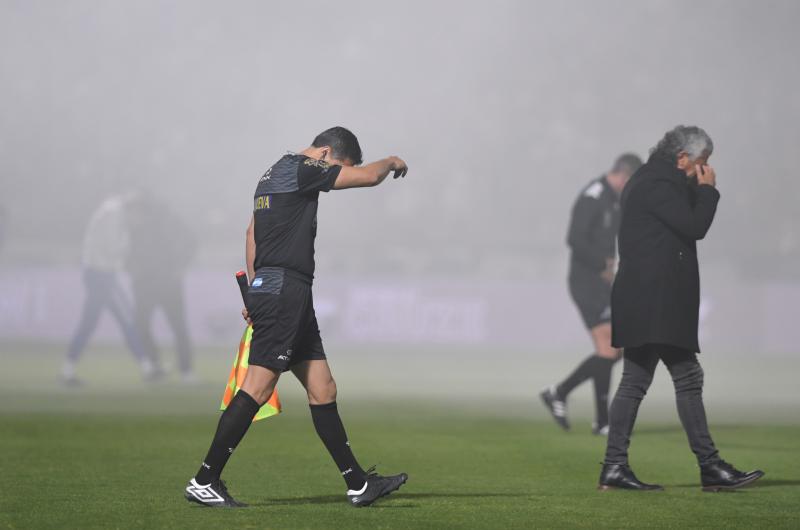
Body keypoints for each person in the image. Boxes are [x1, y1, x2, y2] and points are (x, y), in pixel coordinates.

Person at [184, 127, 410, 508]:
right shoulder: (305, 168)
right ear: (325, 153)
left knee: (323, 387)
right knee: (257, 386)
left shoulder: (270, 175)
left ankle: (357, 483)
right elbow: (369, 177)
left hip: (284, 292)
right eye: (339, 166)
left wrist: (256, 286)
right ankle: (204, 479)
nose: (336, 174)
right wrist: (390, 161)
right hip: (285, 291)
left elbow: (251, 232)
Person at [598, 125, 764, 492]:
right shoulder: (659, 183)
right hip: (655, 299)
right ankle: (710, 467)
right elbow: (694, 225)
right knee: (685, 378)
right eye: (701, 162)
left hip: (645, 297)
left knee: (635, 382)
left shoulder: (651, 178)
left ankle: (614, 468)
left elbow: (678, 219)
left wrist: (695, 186)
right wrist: (708, 190)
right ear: (682, 157)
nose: (704, 169)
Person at [540, 153, 642, 435]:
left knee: (615, 349)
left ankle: (561, 393)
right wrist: (601, 264)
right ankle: (601, 421)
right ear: (623, 175)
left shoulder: (614, 199)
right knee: (609, 347)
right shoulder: (593, 195)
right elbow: (574, 238)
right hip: (585, 282)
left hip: (602, 283)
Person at [61, 193, 156, 385]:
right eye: (139, 217)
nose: (138, 222)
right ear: (134, 210)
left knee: (92, 321)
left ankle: (67, 369)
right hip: (103, 274)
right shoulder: (114, 216)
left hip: (97, 272)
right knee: (127, 319)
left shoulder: (110, 212)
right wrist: (128, 247)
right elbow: (111, 248)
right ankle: (148, 367)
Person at [126, 191, 198, 382]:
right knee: (141, 325)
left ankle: (186, 371)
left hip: (167, 283)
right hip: (146, 284)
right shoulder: (136, 230)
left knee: (178, 327)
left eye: (134, 210)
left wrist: (180, 267)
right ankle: (156, 365)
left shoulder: (166, 224)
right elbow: (131, 255)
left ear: (144, 210)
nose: (131, 215)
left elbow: (191, 242)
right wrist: (133, 271)